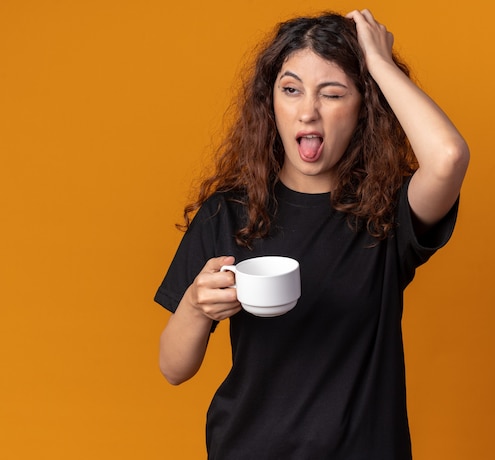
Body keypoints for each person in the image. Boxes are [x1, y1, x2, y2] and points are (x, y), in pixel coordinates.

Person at [155, 9, 469, 459]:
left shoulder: (387, 213)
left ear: (364, 107)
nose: (308, 111)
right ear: (271, 102)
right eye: (291, 90)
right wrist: (195, 305)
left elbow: (449, 156)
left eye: (333, 93)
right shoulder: (227, 212)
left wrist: (378, 64)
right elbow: (173, 368)